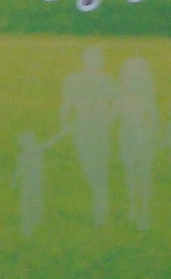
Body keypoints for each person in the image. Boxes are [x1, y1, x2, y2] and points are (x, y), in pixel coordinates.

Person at [59, 46, 116, 225]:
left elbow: (114, 105)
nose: (96, 62)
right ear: (85, 60)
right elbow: (67, 104)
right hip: (81, 128)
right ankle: (98, 198)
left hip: (100, 129)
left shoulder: (107, 81)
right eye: (91, 59)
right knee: (87, 165)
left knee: (100, 167)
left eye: (98, 59)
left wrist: (109, 120)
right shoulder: (74, 80)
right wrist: (64, 124)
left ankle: (101, 207)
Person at [116, 57, 159, 230]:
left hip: (142, 135)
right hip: (127, 135)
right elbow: (116, 113)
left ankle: (143, 213)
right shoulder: (120, 91)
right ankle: (135, 210)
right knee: (131, 174)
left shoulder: (146, 92)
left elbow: (153, 114)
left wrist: (155, 134)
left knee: (142, 175)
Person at [14, 131, 47, 236]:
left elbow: (18, 170)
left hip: (34, 183)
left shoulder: (36, 152)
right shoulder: (25, 155)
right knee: (28, 204)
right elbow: (18, 170)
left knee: (35, 203)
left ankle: (34, 224)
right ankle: (28, 228)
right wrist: (14, 181)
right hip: (28, 184)